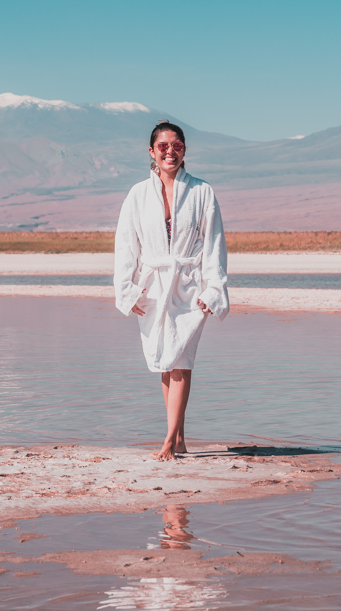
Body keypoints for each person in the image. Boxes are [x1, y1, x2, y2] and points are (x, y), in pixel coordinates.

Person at [114, 121, 229, 461]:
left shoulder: (202, 192)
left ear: (184, 150)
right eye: (162, 145)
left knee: (181, 359)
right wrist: (127, 289)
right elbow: (126, 244)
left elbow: (215, 243)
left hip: (191, 286)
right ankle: (178, 437)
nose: (169, 151)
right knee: (166, 360)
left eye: (176, 145)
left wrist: (214, 289)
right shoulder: (137, 195)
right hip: (153, 287)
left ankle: (167, 441)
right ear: (151, 152)